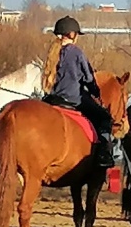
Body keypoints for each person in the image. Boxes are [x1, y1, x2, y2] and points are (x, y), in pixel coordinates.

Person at [42, 16, 116, 168]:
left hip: (52, 98)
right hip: (73, 98)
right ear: (72, 34)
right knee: (104, 118)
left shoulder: (53, 52)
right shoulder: (76, 52)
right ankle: (104, 154)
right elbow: (88, 77)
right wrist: (95, 91)